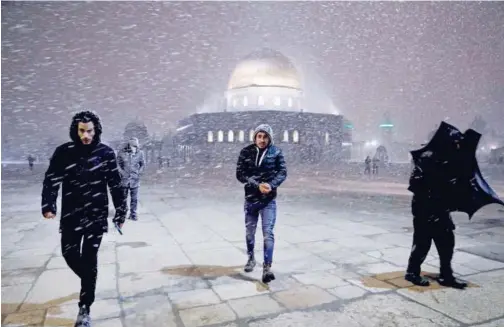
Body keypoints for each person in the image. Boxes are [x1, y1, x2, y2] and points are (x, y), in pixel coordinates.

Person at [41, 111, 127, 327]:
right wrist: (49, 204)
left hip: (96, 215)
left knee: (90, 258)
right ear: (75, 130)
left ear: (96, 130)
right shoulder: (64, 152)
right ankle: (90, 279)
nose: (86, 135)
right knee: (69, 253)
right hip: (72, 214)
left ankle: (84, 308)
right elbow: (51, 180)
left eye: (89, 131)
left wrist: (120, 212)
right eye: (82, 131)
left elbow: (115, 184)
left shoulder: (106, 153)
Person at [236, 124, 287, 284]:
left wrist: (271, 185)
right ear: (255, 137)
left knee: (268, 234)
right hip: (251, 199)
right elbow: (240, 174)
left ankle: (267, 267)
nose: (262, 140)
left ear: (269, 138)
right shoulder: (246, 152)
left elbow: (282, 172)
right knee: (250, 232)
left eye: (265, 137)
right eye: (259, 136)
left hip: (268, 200)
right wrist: (255, 184)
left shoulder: (276, 152)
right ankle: (251, 258)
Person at [404, 159, 468, 289]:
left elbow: (452, 189)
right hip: (424, 212)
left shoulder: (449, 165)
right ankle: (412, 272)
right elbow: (415, 185)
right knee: (422, 245)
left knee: (447, 245)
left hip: (442, 212)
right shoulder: (424, 163)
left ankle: (446, 275)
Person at [117, 137, 145, 221]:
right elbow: (117, 164)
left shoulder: (140, 153)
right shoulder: (122, 153)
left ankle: (133, 214)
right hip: (124, 179)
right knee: (123, 198)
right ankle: (123, 212)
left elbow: (143, 164)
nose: (134, 147)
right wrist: (122, 172)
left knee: (134, 198)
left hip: (135, 179)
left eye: (136, 145)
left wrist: (139, 172)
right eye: (133, 145)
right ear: (129, 145)